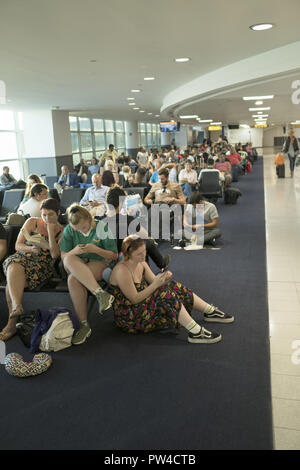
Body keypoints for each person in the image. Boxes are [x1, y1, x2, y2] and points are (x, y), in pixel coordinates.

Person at [109, 236, 234, 343]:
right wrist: (156, 284)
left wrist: (165, 278)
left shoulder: (141, 262)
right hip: (129, 316)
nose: (144, 255)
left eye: (144, 251)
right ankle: (195, 331)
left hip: (140, 304)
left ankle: (209, 310)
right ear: (128, 254)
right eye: (139, 254)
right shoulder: (122, 271)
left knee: (171, 286)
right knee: (164, 294)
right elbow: (134, 299)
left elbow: (155, 282)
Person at [0, 198, 63, 341]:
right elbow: (18, 245)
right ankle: (16, 307)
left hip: (42, 265)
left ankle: (11, 323)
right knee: (13, 262)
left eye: (50, 214)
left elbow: (54, 254)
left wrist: (51, 232)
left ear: (58, 213)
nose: (46, 218)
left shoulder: (62, 231)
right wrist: (31, 248)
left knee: (12, 281)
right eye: (44, 214)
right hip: (23, 256)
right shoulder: (32, 222)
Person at [60, 204, 118, 345]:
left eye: (84, 228)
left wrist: (96, 250)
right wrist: (74, 251)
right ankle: (100, 294)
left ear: (89, 218)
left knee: (73, 280)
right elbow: (63, 256)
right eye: (77, 230)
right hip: (78, 263)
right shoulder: (68, 230)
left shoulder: (102, 227)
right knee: (69, 259)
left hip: (99, 262)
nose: (80, 231)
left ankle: (83, 325)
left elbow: (114, 255)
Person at [105, 185, 170, 270]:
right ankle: (161, 264)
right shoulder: (127, 219)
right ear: (120, 203)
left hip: (106, 261)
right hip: (122, 258)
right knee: (146, 242)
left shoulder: (100, 220)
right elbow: (146, 235)